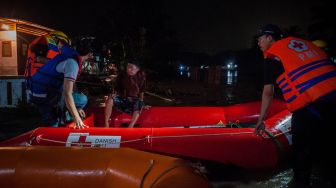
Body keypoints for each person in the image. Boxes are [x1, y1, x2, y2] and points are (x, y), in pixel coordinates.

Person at [255, 24, 336, 187]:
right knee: (329, 149)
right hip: (332, 99)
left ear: (269, 37)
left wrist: (260, 120)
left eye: (260, 38)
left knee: (300, 152)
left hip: (310, 105)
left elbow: (268, 92)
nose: (258, 42)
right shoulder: (304, 44)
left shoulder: (272, 56)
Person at [28, 38, 92, 129]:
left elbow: (71, 86)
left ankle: (60, 117)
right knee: (82, 99)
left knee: (53, 121)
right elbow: (67, 93)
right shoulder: (73, 63)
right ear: (90, 55)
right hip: (45, 95)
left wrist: (78, 108)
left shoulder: (67, 56)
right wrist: (76, 118)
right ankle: (62, 118)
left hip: (39, 92)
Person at [104, 59, 148, 128]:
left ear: (137, 69)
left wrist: (142, 103)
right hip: (122, 99)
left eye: (131, 68)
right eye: (128, 67)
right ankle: (106, 123)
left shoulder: (141, 76)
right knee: (110, 98)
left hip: (133, 102)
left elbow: (142, 91)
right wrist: (114, 94)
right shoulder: (122, 75)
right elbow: (117, 88)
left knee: (139, 103)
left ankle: (131, 126)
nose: (128, 69)